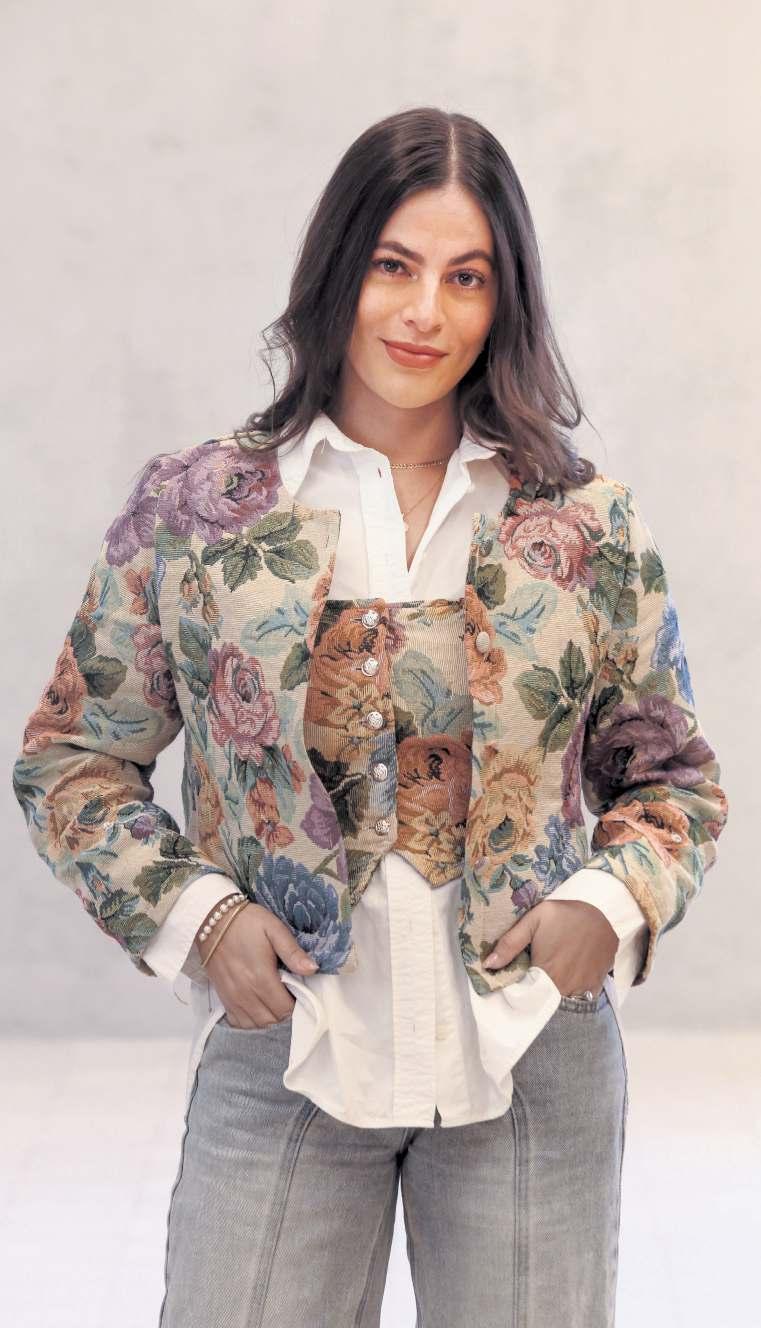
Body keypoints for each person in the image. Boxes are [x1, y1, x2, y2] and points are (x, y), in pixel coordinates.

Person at [11, 107, 728, 1328]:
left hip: (529, 1063)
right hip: (285, 1052)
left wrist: (603, 906)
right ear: (338, 269)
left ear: (503, 300)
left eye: (465, 277)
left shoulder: (583, 524)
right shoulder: (200, 514)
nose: (422, 313)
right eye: (394, 265)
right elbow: (72, 757)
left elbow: (673, 781)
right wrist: (201, 918)